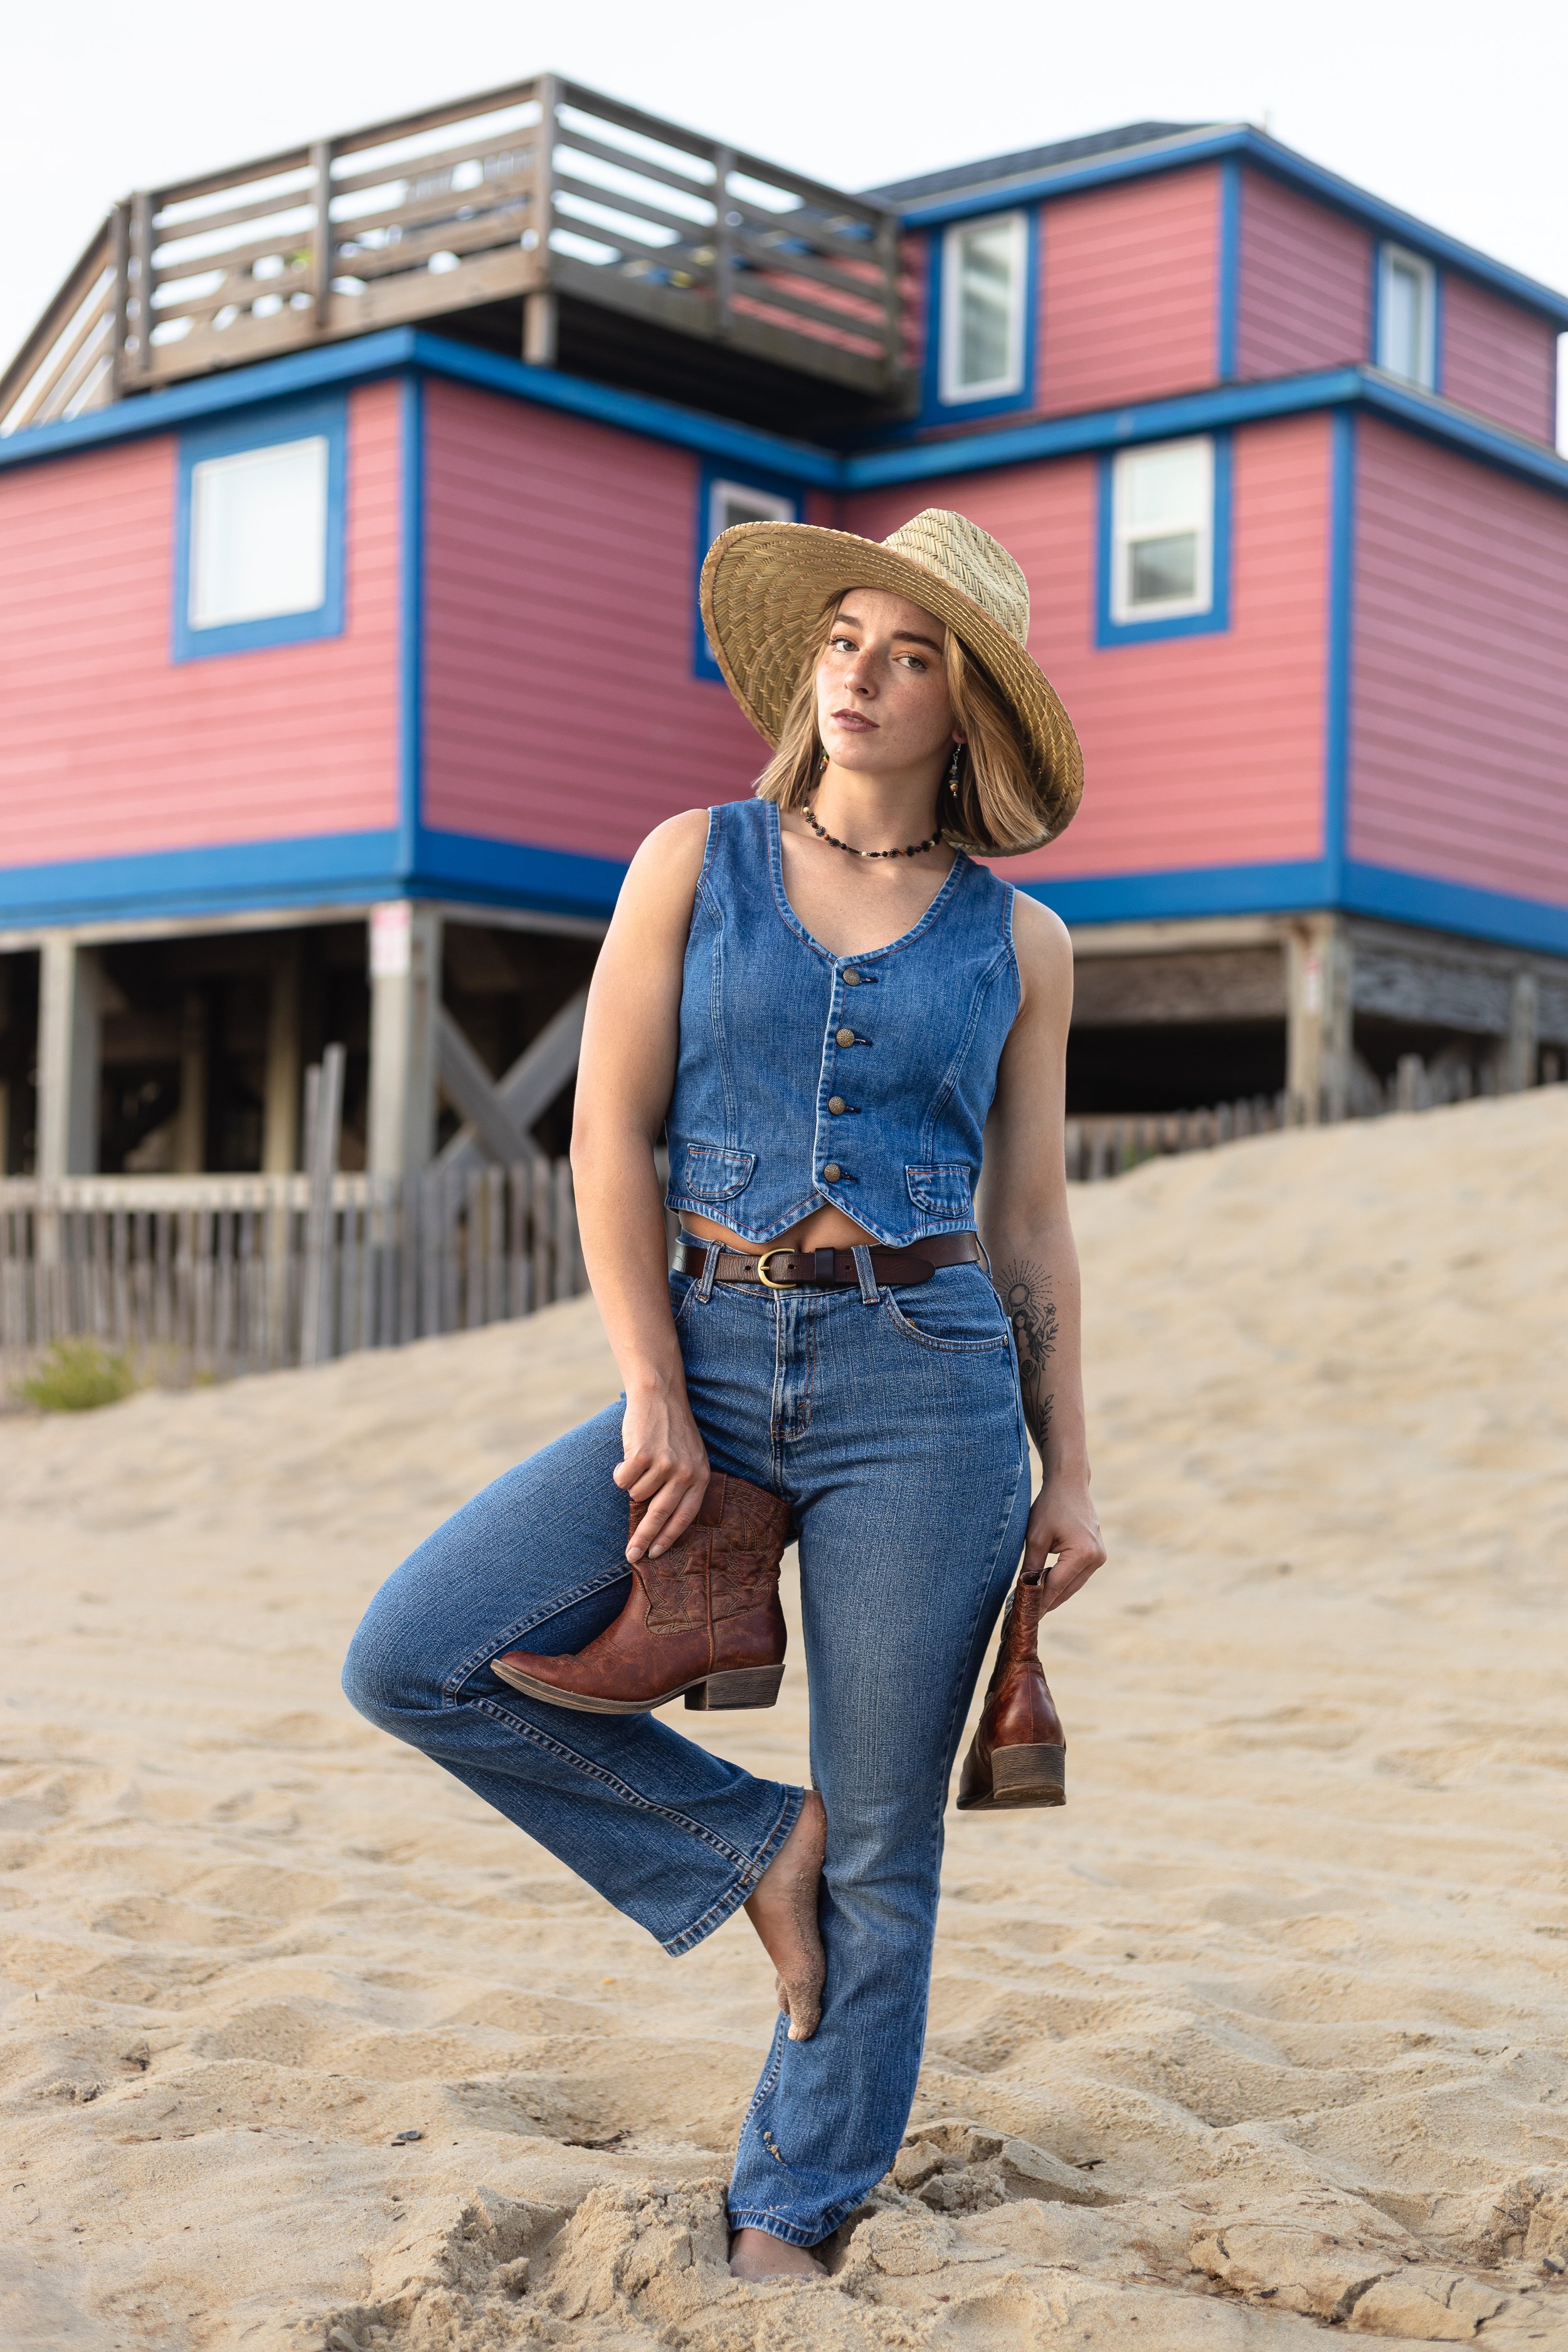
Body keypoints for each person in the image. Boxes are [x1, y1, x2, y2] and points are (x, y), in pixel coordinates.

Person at [342, 508, 1106, 2275]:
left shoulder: (1025, 943)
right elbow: (604, 1139)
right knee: (418, 1654)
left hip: (926, 1383)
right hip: (698, 1349)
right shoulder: (693, 858)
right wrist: (650, 1391)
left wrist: (1068, 1473)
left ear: (961, 706)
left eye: (909, 654)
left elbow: (1034, 1229)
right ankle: (747, 1841)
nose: (864, 674)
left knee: (893, 1838)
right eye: (844, 640)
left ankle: (792, 2209)